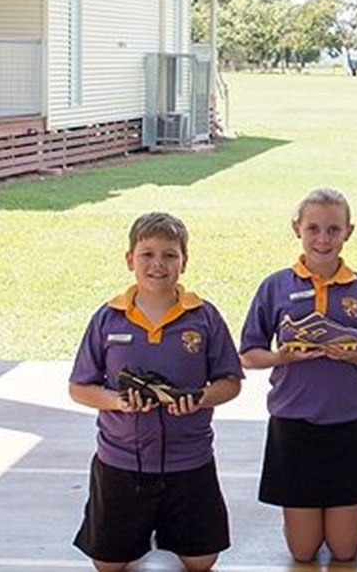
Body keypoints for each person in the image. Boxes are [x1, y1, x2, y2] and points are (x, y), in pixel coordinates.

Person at [69, 212, 243, 572]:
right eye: (147, 254)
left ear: (184, 261)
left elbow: (230, 382)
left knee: (202, 562)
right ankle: (136, 534)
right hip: (120, 462)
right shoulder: (107, 318)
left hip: (189, 461)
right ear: (130, 259)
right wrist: (118, 401)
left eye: (169, 255)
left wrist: (200, 399)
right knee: (107, 566)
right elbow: (78, 388)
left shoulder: (204, 317)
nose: (158, 264)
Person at [239, 188, 357, 563]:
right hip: (293, 426)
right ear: (297, 229)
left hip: (350, 424)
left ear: (348, 232)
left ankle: (351, 516)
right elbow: (247, 355)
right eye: (313, 229)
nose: (323, 239)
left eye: (333, 229)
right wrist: (281, 356)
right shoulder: (275, 286)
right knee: (303, 551)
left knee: (344, 550)